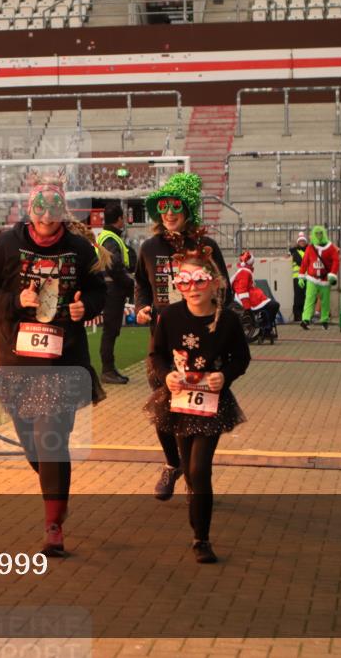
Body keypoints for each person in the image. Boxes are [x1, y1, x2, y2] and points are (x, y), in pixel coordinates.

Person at [0, 178, 106, 557]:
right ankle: (55, 490)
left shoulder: (80, 249)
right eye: (40, 207)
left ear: (63, 211)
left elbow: (100, 290)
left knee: (52, 440)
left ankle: (53, 526)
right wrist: (16, 300)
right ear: (30, 209)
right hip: (16, 365)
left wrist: (87, 307)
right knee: (33, 446)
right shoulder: (5, 246)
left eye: (54, 208)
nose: (47, 216)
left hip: (64, 363)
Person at [145, 250, 250, 564]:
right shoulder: (170, 315)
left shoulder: (228, 319)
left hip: (212, 403)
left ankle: (200, 538)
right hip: (178, 401)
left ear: (214, 283)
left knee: (199, 469)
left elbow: (241, 358)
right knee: (189, 470)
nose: (191, 287)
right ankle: (193, 501)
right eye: (184, 281)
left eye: (199, 280)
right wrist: (167, 377)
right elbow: (156, 355)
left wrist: (224, 376)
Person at [134, 172, 231, 502]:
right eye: (163, 207)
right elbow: (142, 285)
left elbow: (225, 289)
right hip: (162, 344)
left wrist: (214, 318)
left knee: (199, 410)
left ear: (188, 210)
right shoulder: (148, 248)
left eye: (176, 206)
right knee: (165, 407)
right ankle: (173, 464)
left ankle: (197, 474)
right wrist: (143, 306)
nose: (169, 213)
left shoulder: (206, 247)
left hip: (202, 343)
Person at [96, 202, 135, 384]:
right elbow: (114, 267)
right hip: (112, 290)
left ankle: (109, 369)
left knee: (111, 330)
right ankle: (108, 370)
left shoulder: (107, 237)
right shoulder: (110, 239)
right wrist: (131, 284)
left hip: (110, 289)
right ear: (120, 219)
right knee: (110, 331)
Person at [231, 250, 281, 343]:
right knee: (274, 305)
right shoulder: (245, 272)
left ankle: (266, 327)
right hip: (251, 300)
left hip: (253, 298)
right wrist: (247, 308)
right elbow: (242, 291)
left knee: (272, 305)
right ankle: (266, 329)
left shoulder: (243, 271)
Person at [299, 224, 340, 331]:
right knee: (309, 299)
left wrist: (333, 274)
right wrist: (301, 276)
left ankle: (325, 320)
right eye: (316, 233)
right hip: (312, 278)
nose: (318, 235)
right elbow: (304, 262)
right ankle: (306, 319)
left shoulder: (330, 248)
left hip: (325, 279)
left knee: (325, 301)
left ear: (324, 234)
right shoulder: (310, 247)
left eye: (320, 233)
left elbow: (336, 260)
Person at [289, 231, 307, 322]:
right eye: (301, 241)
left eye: (303, 241)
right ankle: (297, 316)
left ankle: (303, 315)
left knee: (305, 297)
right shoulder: (295, 252)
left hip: (306, 277)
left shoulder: (307, 251)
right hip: (298, 277)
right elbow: (301, 262)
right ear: (298, 242)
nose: (302, 243)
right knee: (299, 297)